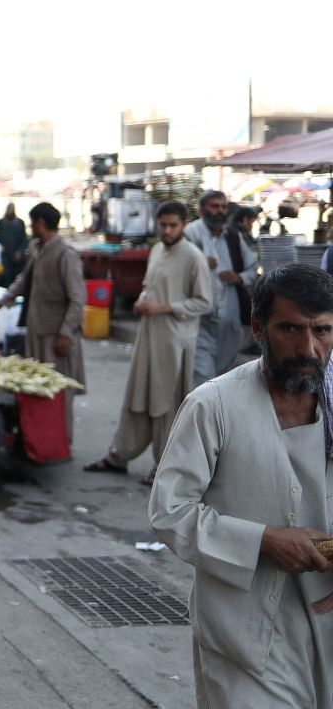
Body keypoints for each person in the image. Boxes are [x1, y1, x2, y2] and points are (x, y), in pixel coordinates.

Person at [149, 263, 333, 709]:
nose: (308, 347)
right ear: (258, 328)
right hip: (243, 633)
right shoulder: (213, 404)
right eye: (290, 328)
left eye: (323, 331)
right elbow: (169, 512)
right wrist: (263, 541)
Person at [83, 201, 212, 484]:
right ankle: (118, 456)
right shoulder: (156, 250)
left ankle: (163, 467)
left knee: (166, 404)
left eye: (172, 226)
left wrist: (164, 307)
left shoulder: (193, 257)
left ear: (184, 224)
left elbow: (203, 302)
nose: (167, 231)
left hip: (174, 343)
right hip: (148, 336)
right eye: (163, 225)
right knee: (137, 398)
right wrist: (142, 302)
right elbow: (148, 286)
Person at [0, 202, 86, 440]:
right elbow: (23, 281)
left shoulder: (65, 254)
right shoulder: (37, 248)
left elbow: (77, 299)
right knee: (37, 391)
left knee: (59, 392)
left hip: (56, 335)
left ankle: (61, 442)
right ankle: (38, 440)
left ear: (40, 222)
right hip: (36, 330)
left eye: (32, 223)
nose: (30, 228)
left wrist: (66, 333)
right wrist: (1, 302)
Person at [186, 190, 258, 385]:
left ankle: (215, 410)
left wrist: (238, 277)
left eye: (223, 206)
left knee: (223, 373)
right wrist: (198, 262)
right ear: (202, 210)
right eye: (214, 206)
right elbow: (178, 268)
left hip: (229, 314)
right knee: (203, 375)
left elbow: (252, 269)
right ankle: (202, 412)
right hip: (200, 317)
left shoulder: (233, 236)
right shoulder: (190, 234)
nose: (220, 211)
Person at [0, 202, 28, 288]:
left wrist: (20, 251)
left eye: (12, 209)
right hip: (4, 256)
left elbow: (24, 239)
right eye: (9, 209)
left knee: (16, 278)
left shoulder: (20, 223)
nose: (10, 211)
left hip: (16, 257)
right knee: (4, 277)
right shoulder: (0, 223)